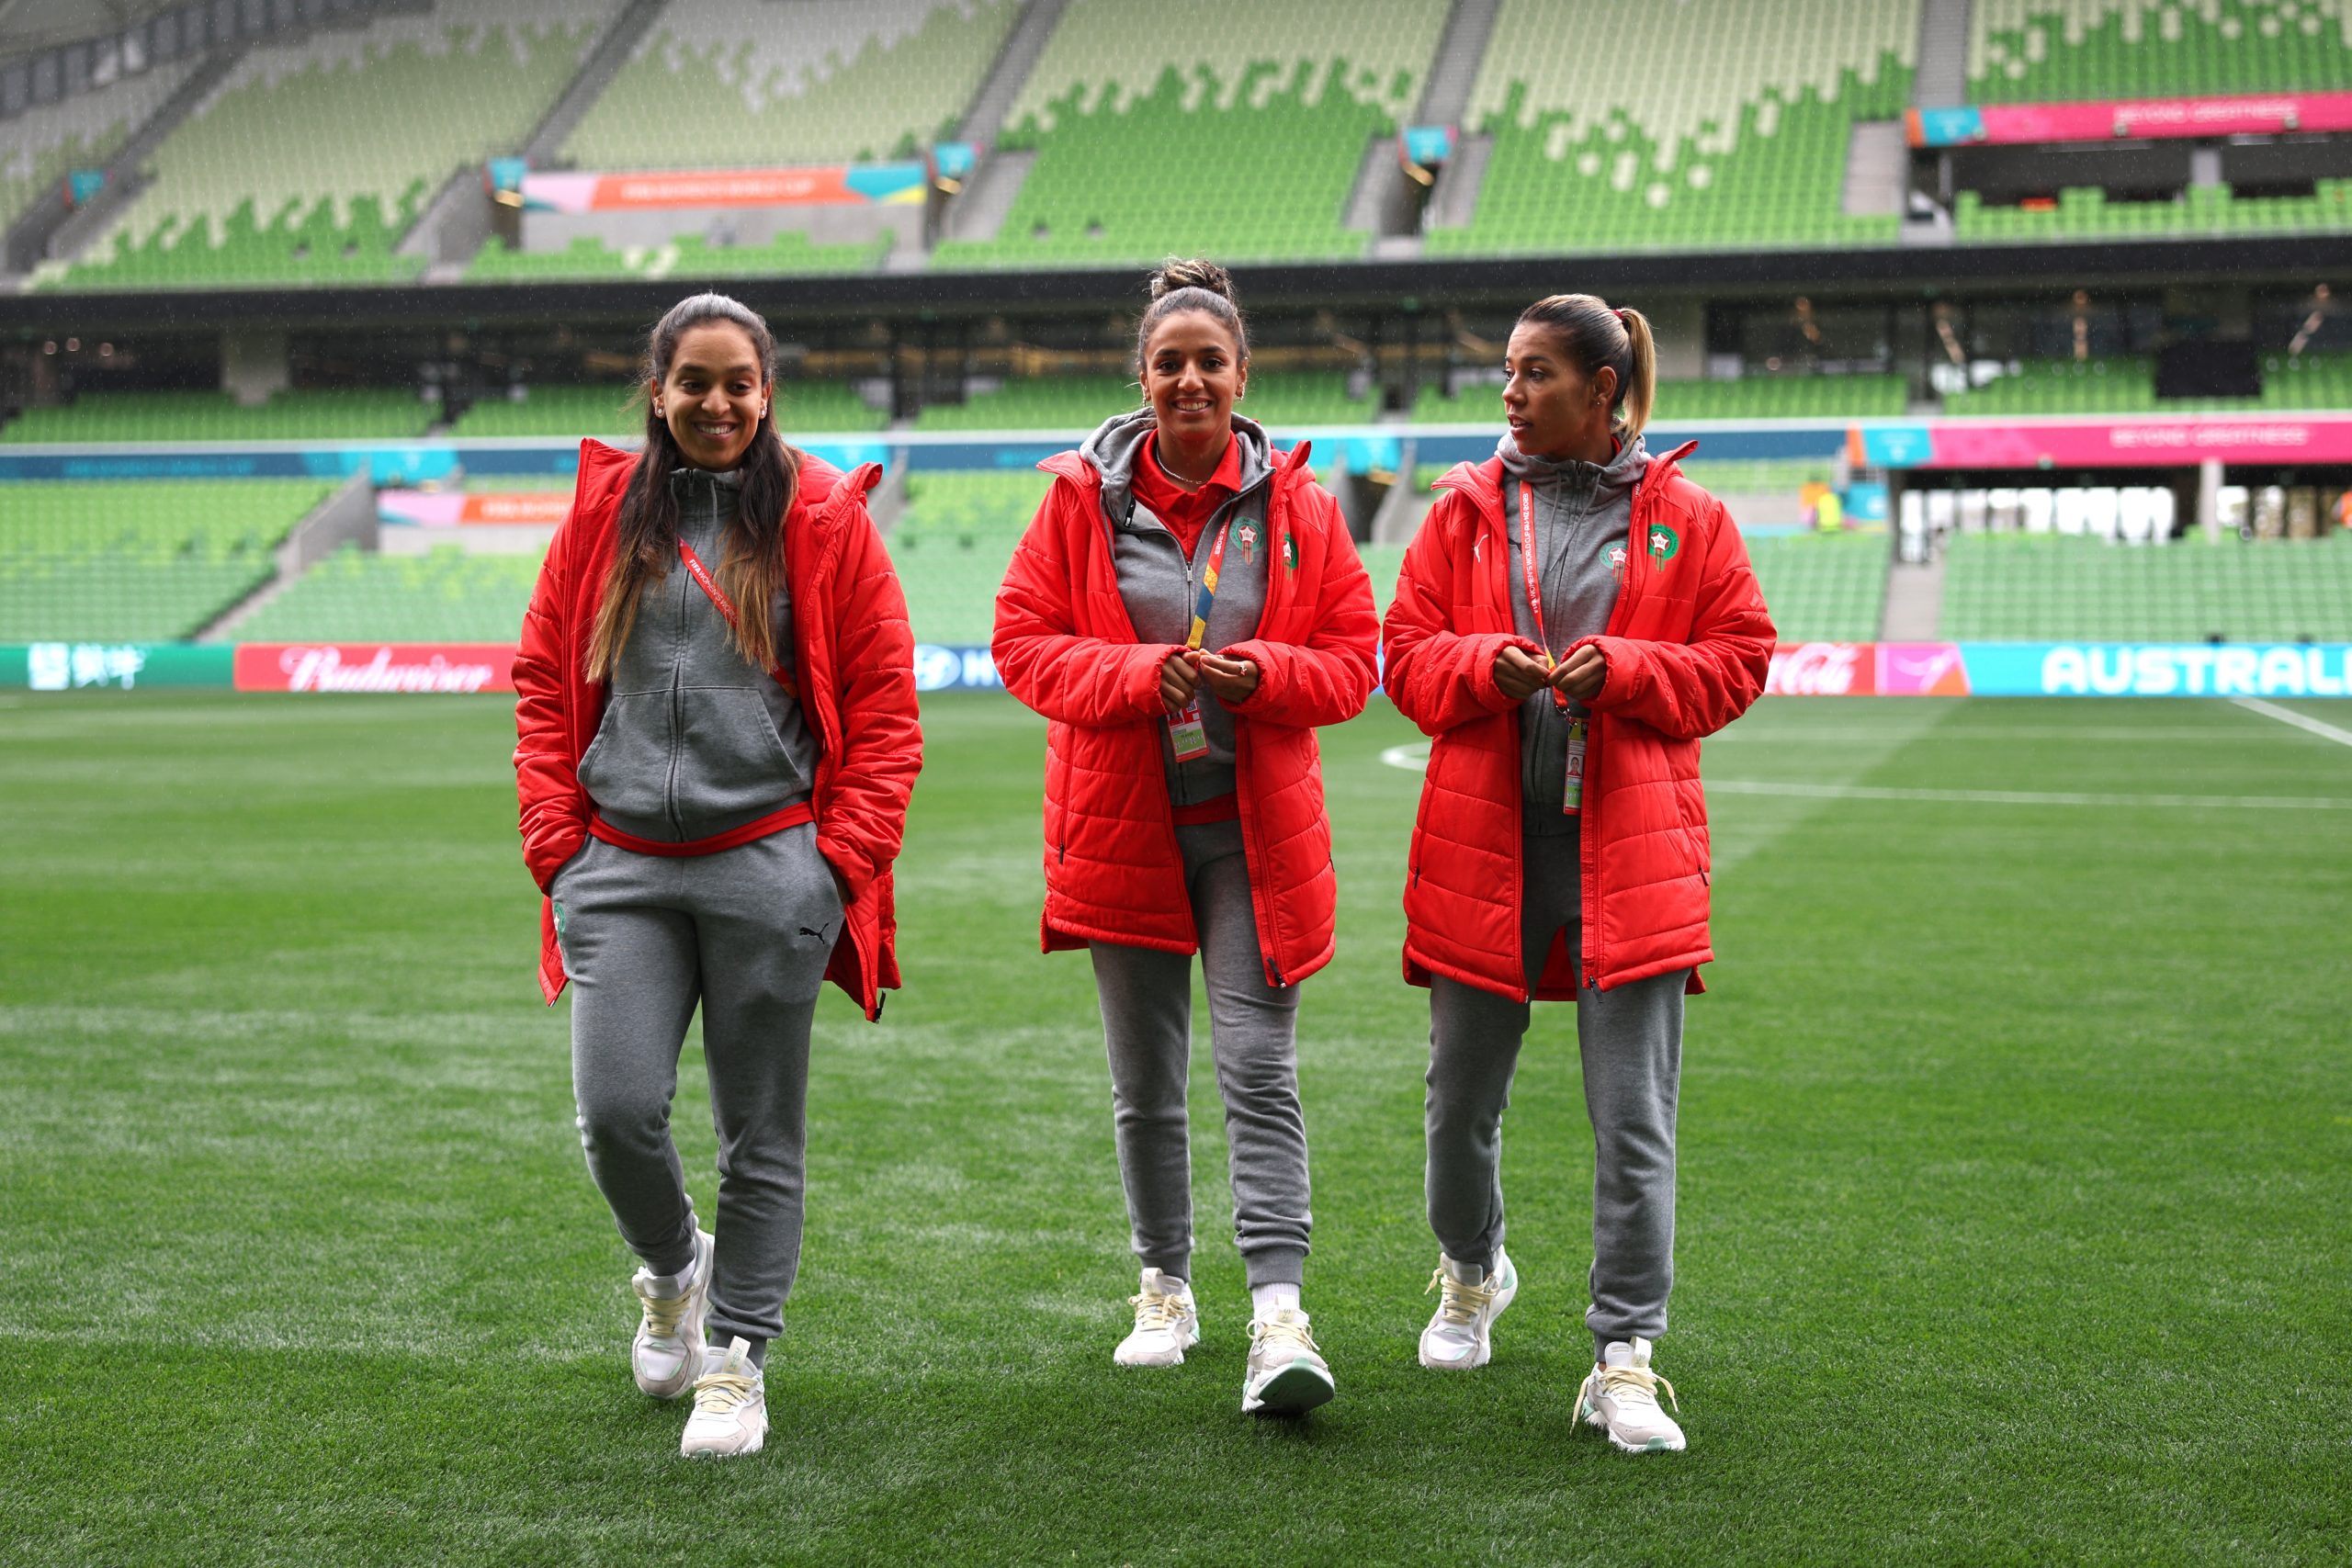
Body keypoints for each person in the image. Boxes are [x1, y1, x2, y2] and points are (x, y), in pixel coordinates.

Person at [512, 292, 922, 1459]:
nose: (717, 402)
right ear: (658, 392)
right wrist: (559, 843)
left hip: (769, 867)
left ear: (766, 391)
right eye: (694, 381)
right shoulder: (601, 516)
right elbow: (544, 680)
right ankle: (671, 1270)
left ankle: (737, 1362)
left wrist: (831, 869)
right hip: (620, 868)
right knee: (617, 1115)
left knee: (762, 1136)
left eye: (738, 382)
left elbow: (887, 711)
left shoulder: (825, 517)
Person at [1382, 293, 1774, 1453]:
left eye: (1537, 373)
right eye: (1507, 370)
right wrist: (1474, 666)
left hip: (1632, 855)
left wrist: (1634, 670)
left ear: (1602, 392)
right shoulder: (1456, 513)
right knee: (1458, 1107)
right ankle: (1470, 1273)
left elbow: (1738, 660)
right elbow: (1403, 659)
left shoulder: (1688, 518)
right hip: (1481, 849)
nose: (1510, 391)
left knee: (1632, 1119)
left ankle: (1624, 1355)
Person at [992, 259, 1378, 1417]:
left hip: (1251, 836)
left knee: (1256, 1069)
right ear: (1143, 379)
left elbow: (1355, 659)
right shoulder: (1076, 501)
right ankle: (1164, 1283)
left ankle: (1277, 1312)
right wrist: (1138, 673)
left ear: (1242, 376)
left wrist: (1259, 673)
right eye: (1170, 363)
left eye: (1210, 361)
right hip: (1125, 829)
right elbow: (1023, 643)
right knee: (1145, 1086)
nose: (1190, 380)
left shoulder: (1300, 507)